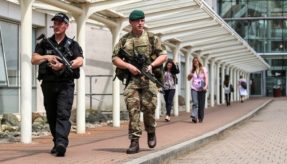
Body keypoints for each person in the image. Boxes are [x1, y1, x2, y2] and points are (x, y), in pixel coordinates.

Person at [112, 10, 167, 154]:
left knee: (149, 108)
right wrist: (128, 66)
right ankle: (134, 141)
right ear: (131, 22)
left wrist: (152, 65)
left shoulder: (151, 38)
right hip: (132, 81)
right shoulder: (124, 40)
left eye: (142, 20)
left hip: (148, 79)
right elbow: (114, 58)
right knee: (133, 110)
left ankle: (151, 130)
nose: (140, 23)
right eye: (137, 21)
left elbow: (163, 55)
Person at [31, 12, 83, 157]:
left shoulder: (72, 45)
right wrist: (46, 57)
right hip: (48, 84)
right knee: (52, 115)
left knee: (62, 114)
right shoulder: (44, 43)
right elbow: (34, 59)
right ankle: (57, 142)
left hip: (65, 84)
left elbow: (80, 60)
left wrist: (65, 66)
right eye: (55, 23)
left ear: (66, 26)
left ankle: (61, 143)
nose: (56, 26)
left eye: (60, 23)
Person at [187, 56, 208, 123]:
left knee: (201, 104)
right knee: (195, 102)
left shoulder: (204, 69)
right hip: (194, 88)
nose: (195, 62)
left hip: (202, 88)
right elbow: (188, 79)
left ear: (199, 61)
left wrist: (206, 86)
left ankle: (200, 117)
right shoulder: (192, 70)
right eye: (194, 61)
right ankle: (194, 117)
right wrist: (189, 75)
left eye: (196, 61)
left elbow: (206, 78)